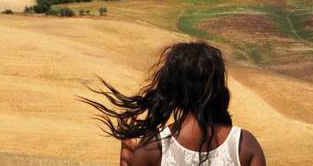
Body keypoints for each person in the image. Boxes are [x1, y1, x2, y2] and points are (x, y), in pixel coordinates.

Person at [81, 42, 266, 166]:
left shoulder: (154, 147)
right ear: (218, 87)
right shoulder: (244, 144)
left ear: (172, 88)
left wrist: (127, 155)